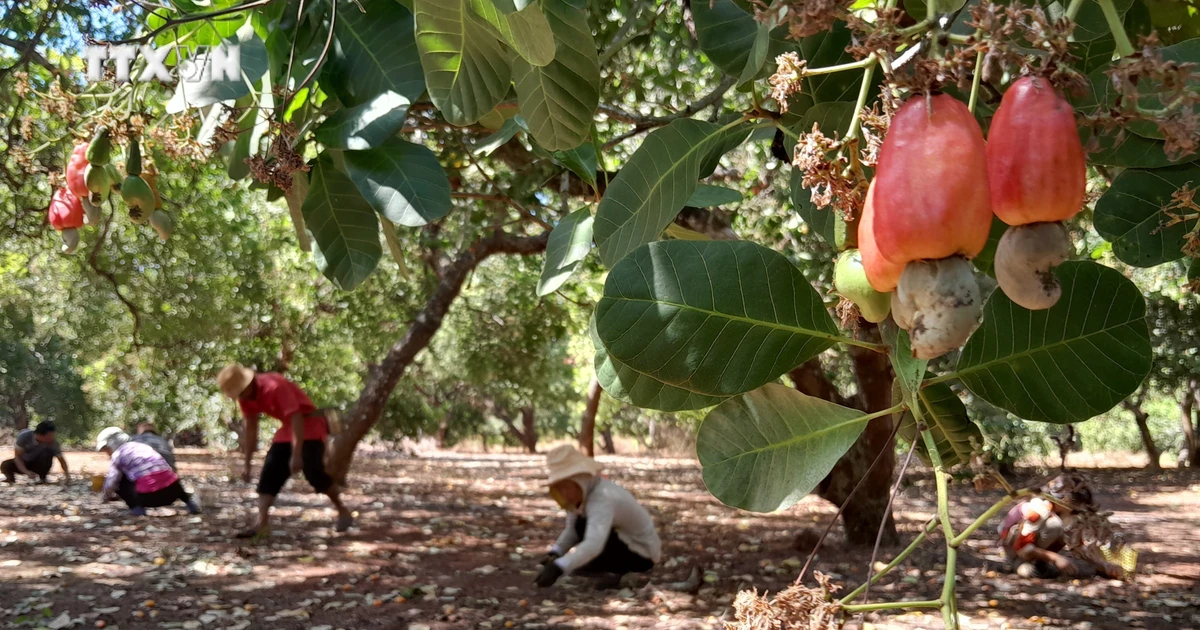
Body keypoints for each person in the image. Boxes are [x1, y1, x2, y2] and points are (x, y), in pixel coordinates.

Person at [216, 363, 352, 538]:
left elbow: (297, 418)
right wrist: (247, 464)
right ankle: (261, 524)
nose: (241, 397)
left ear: (248, 384)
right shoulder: (246, 398)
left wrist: (296, 455)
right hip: (287, 429)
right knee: (269, 474)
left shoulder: (275, 386)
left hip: (309, 425)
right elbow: (251, 430)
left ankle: (343, 510)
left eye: (241, 392)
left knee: (314, 474)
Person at [534, 445, 661, 589]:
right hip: (619, 543)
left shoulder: (603, 497)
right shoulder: (582, 496)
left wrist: (558, 567)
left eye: (565, 486)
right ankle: (603, 568)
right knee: (580, 526)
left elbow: (594, 543)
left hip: (642, 554)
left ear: (578, 480)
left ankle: (616, 573)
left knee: (585, 529)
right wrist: (556, 552)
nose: (562, 493)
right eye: (559, 488)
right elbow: (572, 530)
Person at [96, 427, 199, 516]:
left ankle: (137, 509)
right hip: (172, 494)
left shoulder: (118, 455)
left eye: (106, 448)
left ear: (113, 443)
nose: (107, 452)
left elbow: (111, 483)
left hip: (148, 498)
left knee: (119, 479)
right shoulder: (143, 447)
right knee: (167, 474)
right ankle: (191, 505)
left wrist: (106, 497)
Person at [2, 421, 70, 484]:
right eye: (49, 436)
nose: (52, 438)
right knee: (5, 464)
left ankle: (42, 478)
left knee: (47, 453)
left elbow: (61, 460)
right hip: (24, 462)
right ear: (40, 434)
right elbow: (17, 457)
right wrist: (26, 471)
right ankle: (10, 479)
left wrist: (67, 476)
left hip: (39, 464)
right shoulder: (24, 436)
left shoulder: (52, 443)